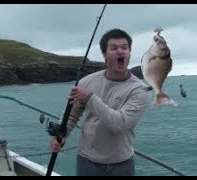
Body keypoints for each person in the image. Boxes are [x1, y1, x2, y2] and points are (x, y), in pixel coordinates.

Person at [50, 28, 149, 176]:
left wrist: (89, 97)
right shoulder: (86, 82)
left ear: (129, 53)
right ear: (104, 54)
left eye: (125, 47)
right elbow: (71, 115)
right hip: (87, 160)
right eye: (114, 48)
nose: (120, 51)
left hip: (121, 163)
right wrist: (60, 137)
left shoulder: (139, 90)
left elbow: (119, 124)